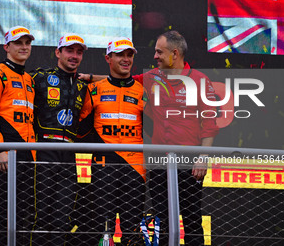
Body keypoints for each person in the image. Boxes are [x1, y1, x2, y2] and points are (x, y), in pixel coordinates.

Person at [143, 31, 219, 245]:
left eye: (159, 52)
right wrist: (90, 78)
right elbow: (123, 81)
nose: (155, 56)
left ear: (174, 53)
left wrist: (203, 157)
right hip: (158, 160)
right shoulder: (151, 77)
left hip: (189, 160)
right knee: (162, 220)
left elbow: (210, 124)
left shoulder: (200, 81)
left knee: (192, 219)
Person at [78, 37, 146, 245]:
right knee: (102, 227)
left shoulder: (142, 91)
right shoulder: (94, 90)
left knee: (132, 229)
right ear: (108, 58)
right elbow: (80, 130)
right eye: (120, 55)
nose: (126, 59)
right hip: (103, 164)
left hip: (136, 167)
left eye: (129, 55)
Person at [0, 25, 35, 246]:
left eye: (27, 43)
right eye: (18, 43)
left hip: (27, 155)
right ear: (7, 46)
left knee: (22, 214)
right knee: (2, 213)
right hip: (5, 155)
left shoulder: (29, 79)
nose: (23, 47)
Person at [29, 33, 89, 245]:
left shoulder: (83, 86)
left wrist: (92, 78)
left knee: (62, 218)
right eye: (69, 50)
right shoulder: (40, 78)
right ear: (58, 52)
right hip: (43, 150)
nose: (74, 56)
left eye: (79, 52)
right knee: (39, 216)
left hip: (69, 155)